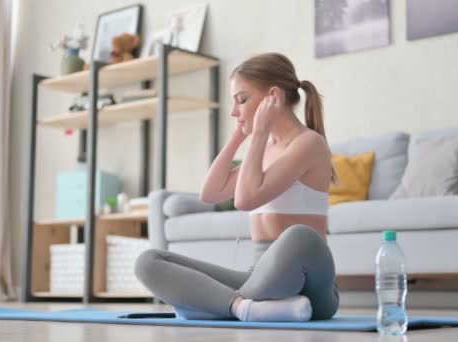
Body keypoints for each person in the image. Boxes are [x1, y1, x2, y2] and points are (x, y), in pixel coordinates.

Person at [135, 52, 339, 322]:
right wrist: (237, 137)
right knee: (148, 262)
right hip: (257, 278)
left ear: (272, 97)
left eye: (241, 100)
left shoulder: (308, 144)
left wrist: (260, 132)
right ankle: (245, 307)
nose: (233, 111)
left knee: (298, 235)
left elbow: (245, 200)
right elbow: (209, 194)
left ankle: (214, 304)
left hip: (311, 285)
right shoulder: (264, 150)